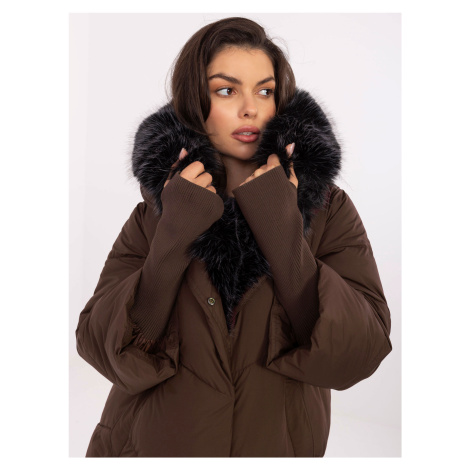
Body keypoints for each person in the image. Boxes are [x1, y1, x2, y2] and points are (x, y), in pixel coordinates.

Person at [75, 16, 392, 458]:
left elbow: (360, 353)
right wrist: (173, 236)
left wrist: (283, 232)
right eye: (226, 90)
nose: (250, 109)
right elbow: (101, 348)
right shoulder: (159, 208)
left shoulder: (328, 209)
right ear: (195, 100)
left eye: (265, 91)